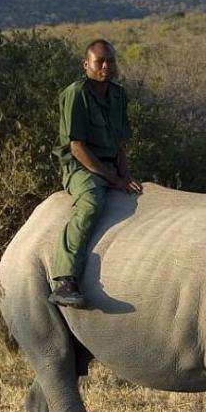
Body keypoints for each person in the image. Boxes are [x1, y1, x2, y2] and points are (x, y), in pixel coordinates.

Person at [50, 39, 143, 308]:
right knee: (91, 204)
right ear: (86, 64)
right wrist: (112, 178)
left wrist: (125, 175)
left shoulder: (118, 94)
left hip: (110, 165)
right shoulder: (76, 93)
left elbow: (121, 142)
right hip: (82, 167)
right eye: (99, 61)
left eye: (110, 61)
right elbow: (76, 146)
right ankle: (65, 278)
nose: (105, 66)